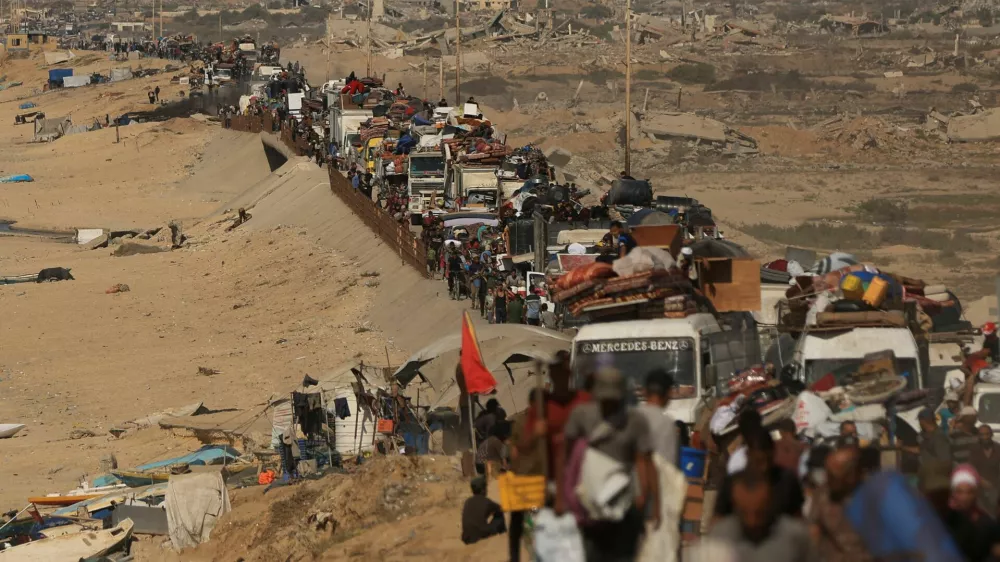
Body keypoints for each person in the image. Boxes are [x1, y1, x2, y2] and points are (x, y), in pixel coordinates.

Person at [562, 368, 658, 561]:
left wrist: (650, 500)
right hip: (589, 502)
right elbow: (566, 455)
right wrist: (563, 494)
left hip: (624, 500)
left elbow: (644, 461)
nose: (610, 405)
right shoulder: (581, 415)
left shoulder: (635, 421)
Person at [708, 472, 815, 562]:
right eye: (744, 513)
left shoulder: (796, 537)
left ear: (771, 505)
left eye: (759, 513)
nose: (752, 522)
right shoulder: (720, 537)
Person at [715, 426, 805, 520]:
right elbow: (719, 518)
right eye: (757, 460)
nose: (763, 466)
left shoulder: (786, 481)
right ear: (748, 455)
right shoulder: (734, 482)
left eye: (766, 459)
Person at [807, 445, 874, 562]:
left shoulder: (876, 495)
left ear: (852, 475)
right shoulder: (822, 495)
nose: (827, 479)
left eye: (833, 476)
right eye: (826, 473)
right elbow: (814, 533)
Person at [946, 464, 1000, 562]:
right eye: (960, 492)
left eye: (969, 492)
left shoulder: (986, 523)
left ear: (976, 494)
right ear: (953, 493)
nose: (964, 497)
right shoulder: (945, 521)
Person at [638, 368, 678, 466]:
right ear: (668, 393)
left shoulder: (631, 416)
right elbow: (668, 465)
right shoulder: (666, 423)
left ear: (644, 391)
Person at [460, 476, 506, 544]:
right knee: (499, 516)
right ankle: (503, 538)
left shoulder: (468, 501)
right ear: (483, 490)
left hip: (467, 538)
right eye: (486, 488)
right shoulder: (486, 501)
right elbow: (502, 508)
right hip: (480, 536)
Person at [972, 424, 1000, 515]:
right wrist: (981, 480)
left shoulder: (998, 448)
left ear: (991, 435)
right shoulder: (974, 449)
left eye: (987, 434)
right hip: (979, 488)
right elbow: (970, 468)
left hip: (996, 487)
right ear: (978, 436)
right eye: (982, 434)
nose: (985, 437)